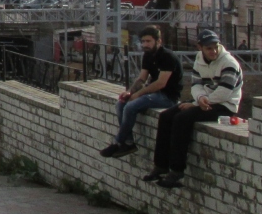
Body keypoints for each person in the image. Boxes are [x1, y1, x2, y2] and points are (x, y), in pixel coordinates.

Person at [145, 29, 243, 189]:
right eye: (209, 48)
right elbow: (196, 84)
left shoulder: (229, 63)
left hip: (224, 106)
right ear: (200, 47)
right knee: (166, 117)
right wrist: (199, 99)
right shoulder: (199, 60)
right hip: (205, 100)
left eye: (215, 47)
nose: (213, 51)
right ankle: (160, 165)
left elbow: (224, 93)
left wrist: (198, 103)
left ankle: (176, 170)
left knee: (182, 119)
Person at [99, 26, 182, 158]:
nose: (145, 45)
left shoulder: (167, 57)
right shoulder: (148, 56)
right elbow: (142, 78)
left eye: (148, 41)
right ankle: (129, 142)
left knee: (131, 106)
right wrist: (130, 92)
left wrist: (138, 95)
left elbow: (161, 83)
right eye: (143, 41)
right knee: (121, 104)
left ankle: (117, 142)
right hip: (153, 95)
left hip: (167, 97)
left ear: (158, 41)